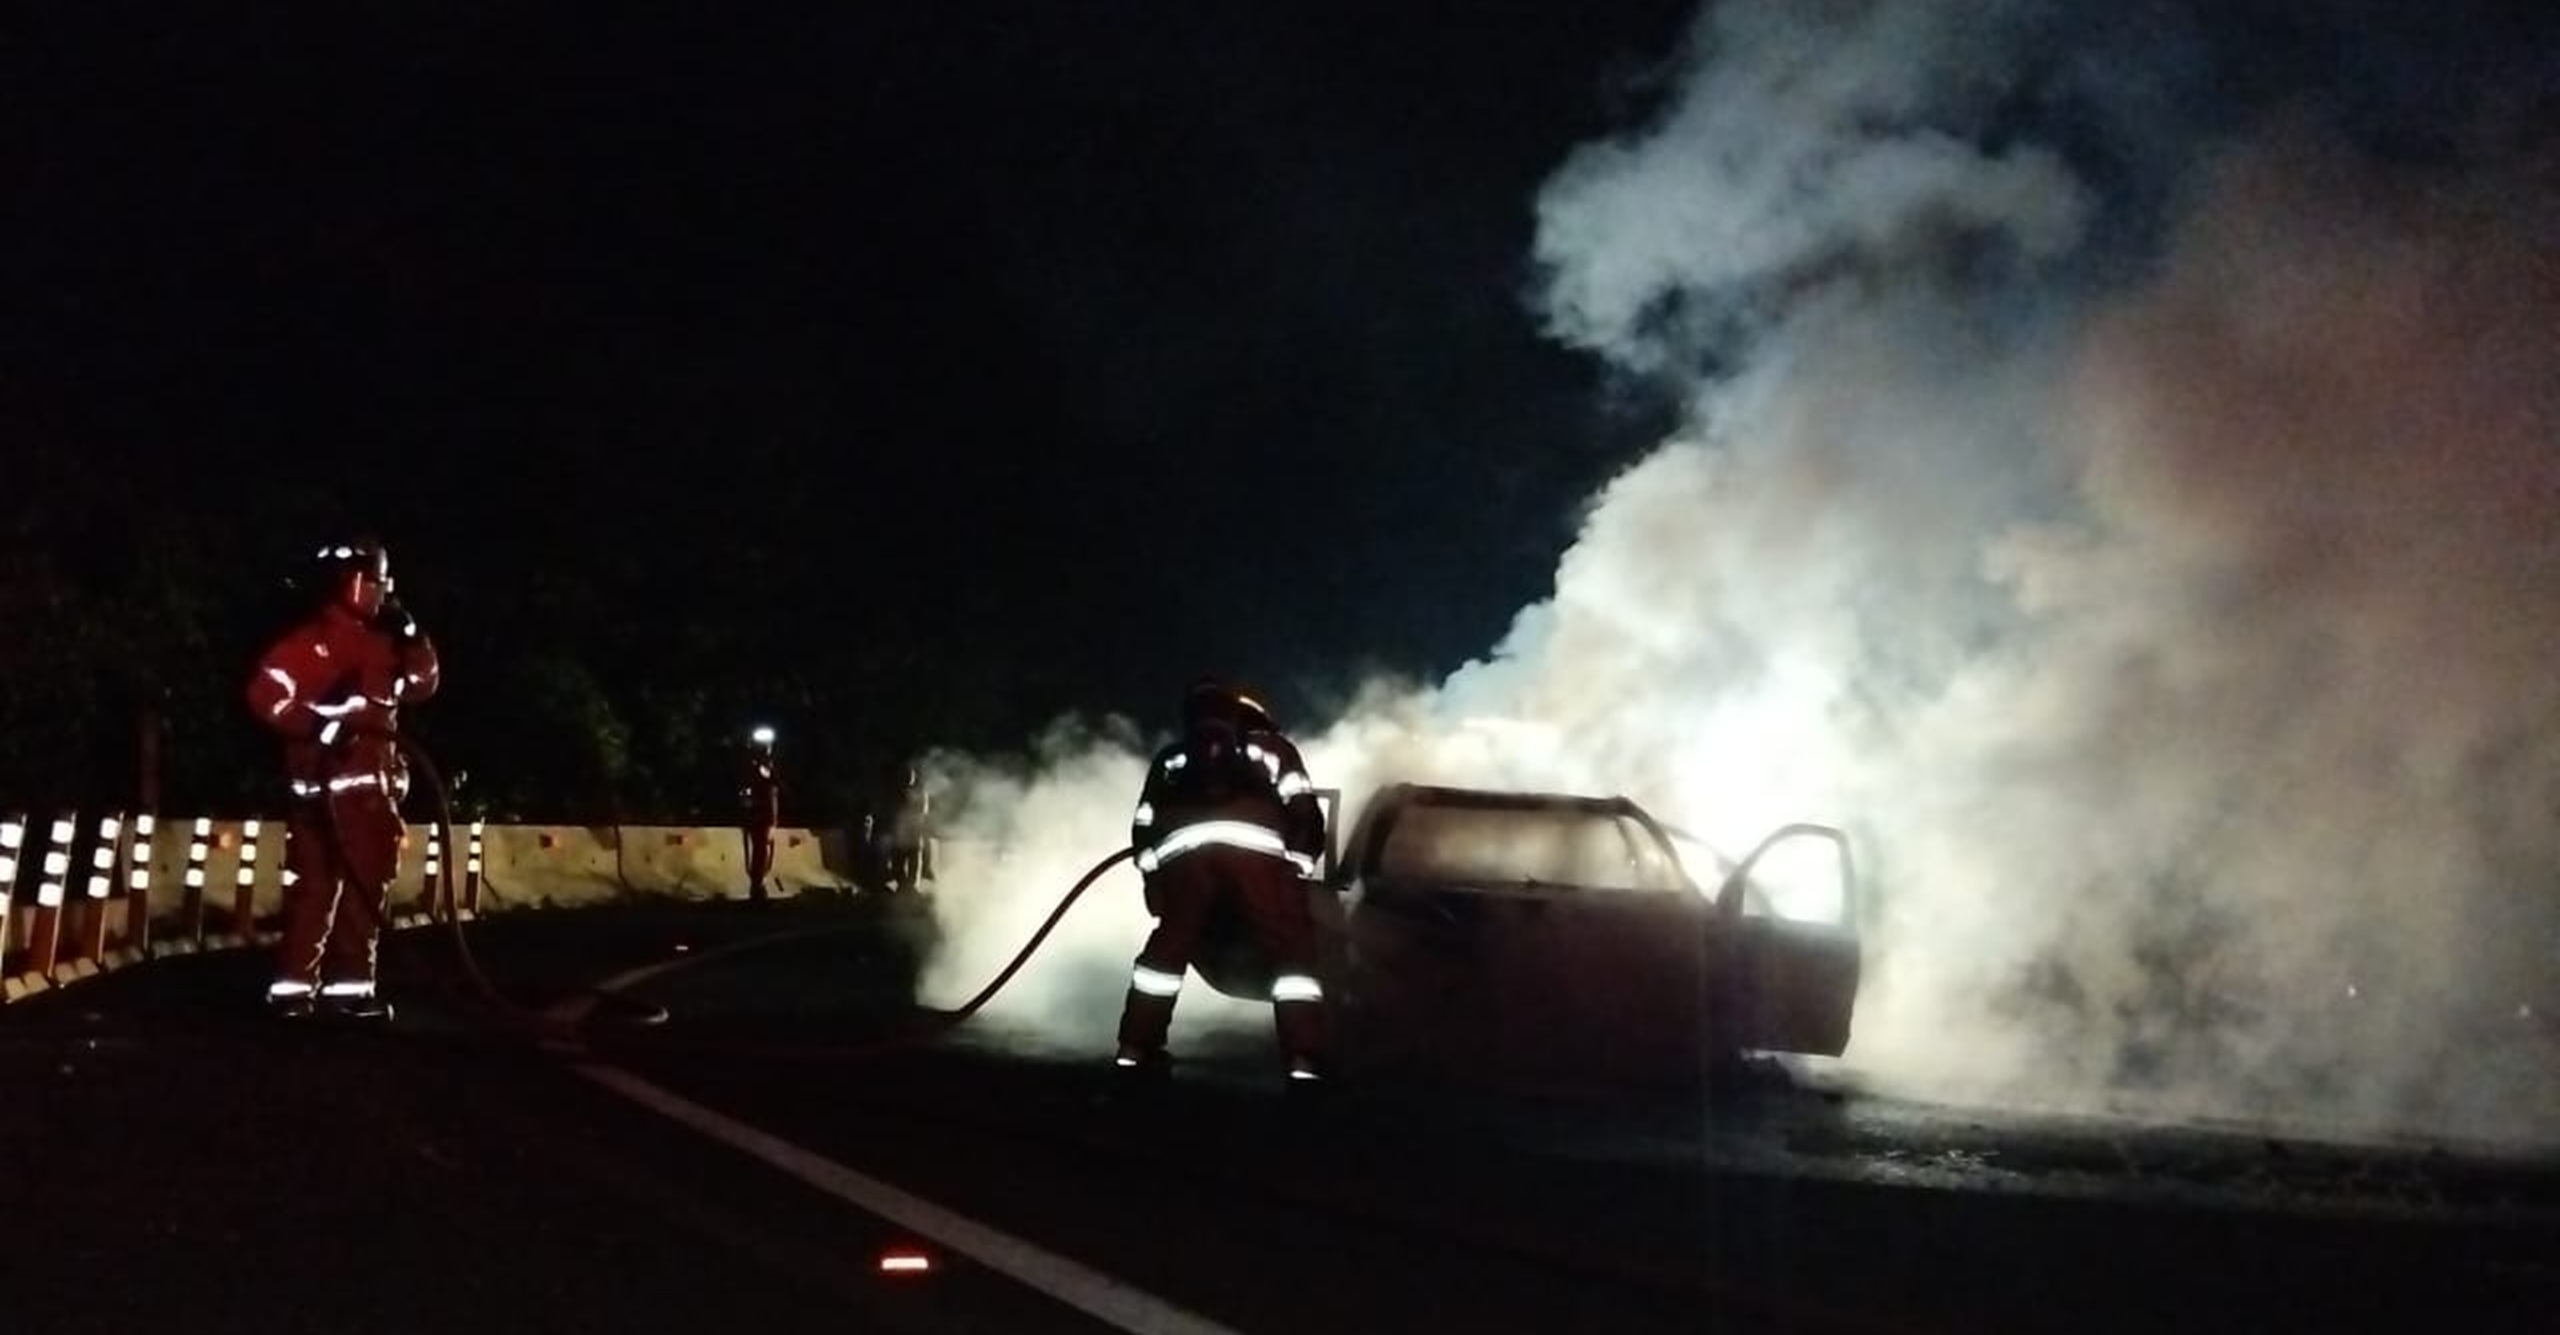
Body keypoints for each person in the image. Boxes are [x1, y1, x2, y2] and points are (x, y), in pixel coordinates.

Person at [243, 538, 440, 1022]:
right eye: (373, 581)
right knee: (316, 894)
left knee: (362, 897)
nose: (379, 591)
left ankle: (346, 992)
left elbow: (423, 685)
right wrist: (315, 725)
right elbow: (264, 695)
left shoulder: (385, 645)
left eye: (381, 583)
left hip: (370, 800)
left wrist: (414, 637)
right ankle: (294, 991)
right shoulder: (307, 643)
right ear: (351, 582)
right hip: (323, 796)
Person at [1114, 679, 1330, 1084]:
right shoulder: (1274, 750)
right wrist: (1296, 871)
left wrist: (1155, 877)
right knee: (1291, 953)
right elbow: (1306, 814)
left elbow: (1143, 823)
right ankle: (1303, 1060)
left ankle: (1134, 1050)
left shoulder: (1171, 759)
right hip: (1256, 852)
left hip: (1184, 853)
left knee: (1166, 953)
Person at [739, 725, 781, 901]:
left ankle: (757, 884)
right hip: (760, 817)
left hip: (761, 816)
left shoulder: (762, 767)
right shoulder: (758, 768)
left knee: (761, 850)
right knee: (760, 850)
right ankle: (757, 885)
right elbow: (767, 790)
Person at [880, 764, 933, 892]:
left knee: (912, 862)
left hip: (911, 833)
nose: (910, 776)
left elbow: (921, 813)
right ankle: (906, 886)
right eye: (908, 774)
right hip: (903, 835)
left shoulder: (919, 793)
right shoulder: (899, 792)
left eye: (911, 774)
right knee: (900, 863)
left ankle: (910, 887)